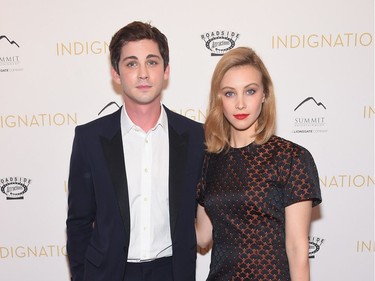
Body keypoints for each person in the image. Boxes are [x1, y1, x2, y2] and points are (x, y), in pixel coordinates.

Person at [66, 21, 205, 281]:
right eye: (131, 63)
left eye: (152, 62)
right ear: (116, 74)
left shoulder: (197, 137)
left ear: (166, 71)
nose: (143, 73)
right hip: (108, 273)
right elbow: (78, 223)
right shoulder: (89, 139)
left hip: (172, 272)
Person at [195, 47, 322, 281]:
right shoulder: (209, 160)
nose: (240, 104)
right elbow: (202, 236)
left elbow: (297, 248)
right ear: (219, 99)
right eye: (230, 93)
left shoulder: (290, 157)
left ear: (264, 94)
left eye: (250, 91)